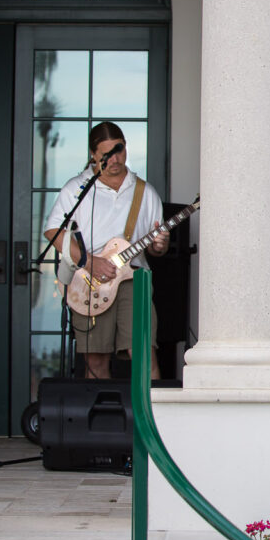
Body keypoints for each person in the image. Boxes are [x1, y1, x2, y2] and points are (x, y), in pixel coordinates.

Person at [44, 121, 169, 380]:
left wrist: (160, 245)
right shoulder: (77, 188)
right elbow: (53, 232)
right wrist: (89, 262)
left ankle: (152, 419)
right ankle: (102, 421)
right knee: (95, 360)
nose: (115, 159)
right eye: (106, 154)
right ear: (93, 155)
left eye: (119, 150)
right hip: (89, 282)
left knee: (144, 354)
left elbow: (158, 249)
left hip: (133, 279)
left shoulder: (144, 192)